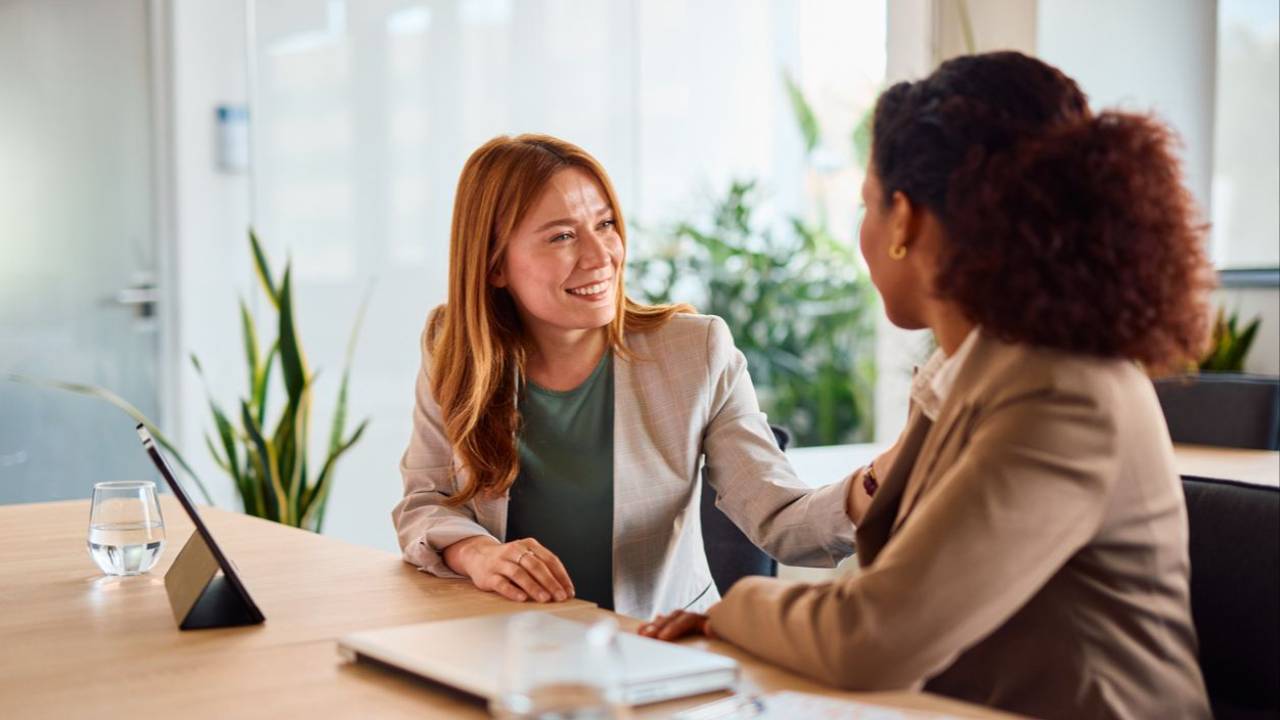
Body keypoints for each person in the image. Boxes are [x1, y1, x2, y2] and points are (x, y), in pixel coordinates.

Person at [640, 51, 1214, 719]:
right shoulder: (975, 371)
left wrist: (731, 607)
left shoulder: (1060, 395)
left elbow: (872, 636)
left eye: (865, 204)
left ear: (903, 219)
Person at [392, 134, 859, 620]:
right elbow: (427, 503)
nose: (601, 256)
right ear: (494, 266)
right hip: (504, 648)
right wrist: (478, 553)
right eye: (562, 236)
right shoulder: (454, 348)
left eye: (606, 224)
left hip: (655, 649)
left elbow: (781, 519)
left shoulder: (695, 351)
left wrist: (872, 490)